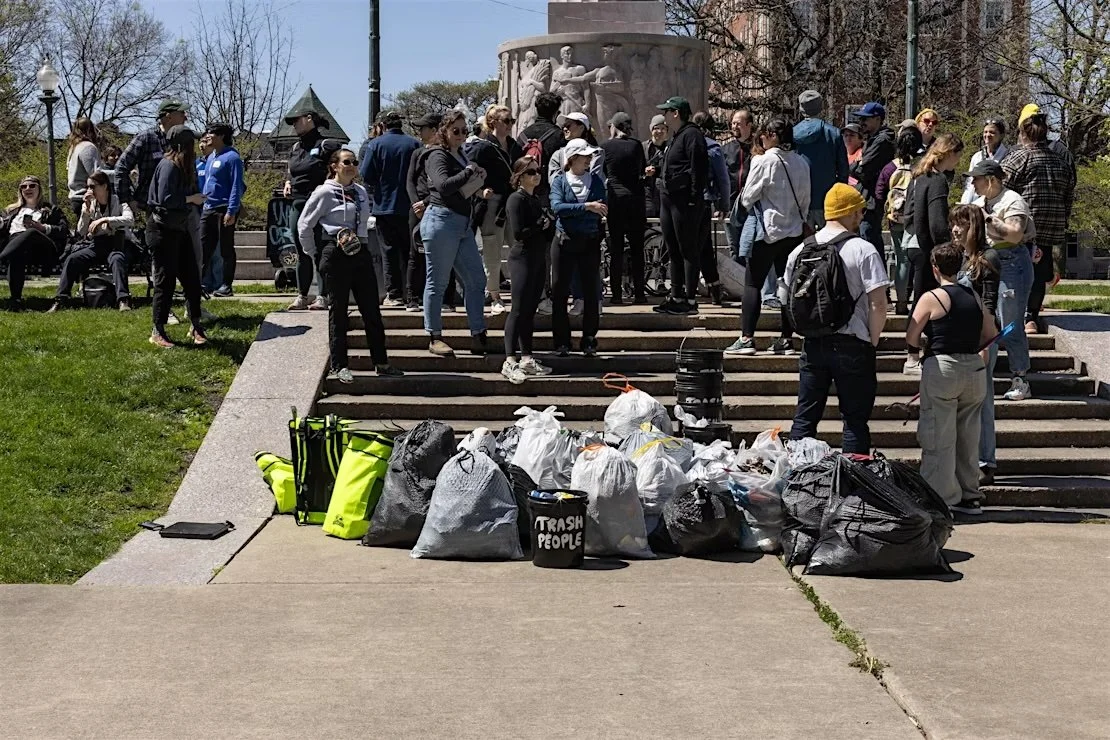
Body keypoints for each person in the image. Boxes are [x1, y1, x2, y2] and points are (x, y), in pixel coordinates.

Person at [785, 184, 889, 452]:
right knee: (854, 421)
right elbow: (878, 303)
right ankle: (854, 483)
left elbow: (785, 297)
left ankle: (796, 477)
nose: (862, 216)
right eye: (860, 211)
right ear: (851, 212)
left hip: (813, 341)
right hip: (853, 343)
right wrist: (871, 341)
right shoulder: (863, 249)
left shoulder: (800, 251)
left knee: (805, 417)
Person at [297, 148, 402, 381]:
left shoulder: (361, 192)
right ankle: (339, 364)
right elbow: (305, 224)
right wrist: (314, 253)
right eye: (347, 162)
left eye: (354, 162)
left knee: (371, 310)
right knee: (339, 310)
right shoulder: (324, 192)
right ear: (334, 166)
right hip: (335, 251)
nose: (352, 166)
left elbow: (365, 222)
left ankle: (381, 361)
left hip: (360, 250)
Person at [906, 241, 994, 515]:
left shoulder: (932, 298)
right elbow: (990, 333)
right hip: (974, 370)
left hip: (943, 368)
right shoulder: (975, 297)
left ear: (935, 268)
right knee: (969, 435)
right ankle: (971, 495)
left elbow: (912, 334)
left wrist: (917, 352)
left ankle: (941, 498)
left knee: (938, 435)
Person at [727, 119, 810, 355]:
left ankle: (747, 338)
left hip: (767, 231)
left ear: (772, 135)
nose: (760, 139)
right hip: (793, 232)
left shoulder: (765, 161)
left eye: (764, 134)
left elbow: (747, 197)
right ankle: (786, 338)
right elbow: (806, 201)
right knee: (787, 284)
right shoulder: (802, 163)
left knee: (753, 283)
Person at [420, 109, 490, 356]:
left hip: (461, 224)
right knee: (437, 283)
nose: (461, 135)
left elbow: (460, 188)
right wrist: (469, 172)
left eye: (464, 130)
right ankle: (434, 336)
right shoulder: (436, 154)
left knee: (477, 280)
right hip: (441, 221)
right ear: (444, 131)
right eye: (455, 130)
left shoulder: (460, 154)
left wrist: (478, 184)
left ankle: (478, 333)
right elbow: (443, 186)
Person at [969, 158, 1037, 402]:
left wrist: (988, 218)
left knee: (1010, 321)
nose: (973, 183)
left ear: (991, 180)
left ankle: (1021, 378)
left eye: (976, 179)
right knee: (985, 316)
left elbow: (1016, 234)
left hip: (1012, 263)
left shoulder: (1012, 200)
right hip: (987, 260)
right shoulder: (979, 200)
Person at [1004, 108, 1076, 335]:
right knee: (1039, 270)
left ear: (1022, 133)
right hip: (1050, 226)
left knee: (1017, 270)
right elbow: (1069, 194)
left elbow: (998, 188)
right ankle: (1031, 317)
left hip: (1023, 225)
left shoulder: (1019, 157)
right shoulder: (1060, 161)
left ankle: (1013, 314)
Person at [902, 132, 965, 374]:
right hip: (928, 248)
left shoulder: (918, 175)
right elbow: (937, 222)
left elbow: (909, 213)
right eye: (957, 156)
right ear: (949, 153)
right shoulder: (937, 180)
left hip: (913, 244)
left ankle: (916, 352)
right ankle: (911, 356)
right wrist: (947, 248)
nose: (957, 162)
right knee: (923, 300)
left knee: (920, 298)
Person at [949, 204, 1002, 486]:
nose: (956, 230)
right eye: (954, 224)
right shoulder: (959, 258)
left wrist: (985, 344)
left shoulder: (988, 258)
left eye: (962, 224)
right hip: (960, 338)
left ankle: (985, 461)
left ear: (976, 228)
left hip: (982, 338)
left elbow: (990, 305)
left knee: (983, 399)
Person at [146, 126, 208, 348]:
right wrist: (192, 199)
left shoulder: (184, 166)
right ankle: (157, 330)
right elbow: (165, 200)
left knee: (192, 278)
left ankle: (196, 325)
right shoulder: (169, 166)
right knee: (165, 280)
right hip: (162, 230)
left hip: (178, 229)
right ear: (184, 146)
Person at [359, 110, 421, 309]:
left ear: (382, 125)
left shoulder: (375, 145)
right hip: (411, 206)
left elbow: (366, 175)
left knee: (389, 252)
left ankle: (393, 294)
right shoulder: (414, 144)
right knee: (411, 252)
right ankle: (412, 293)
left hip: (384, 206)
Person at [550, 138, 607, 356]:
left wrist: (587, 209)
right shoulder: (560, 181)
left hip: (589, 240)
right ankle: (561, 340)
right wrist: (586, 207)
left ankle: (590, 338)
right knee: (560, 290)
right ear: (573, 158)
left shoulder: (595, 181)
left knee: (591, 291)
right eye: (585, 156)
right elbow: (558, 207)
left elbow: (602, 205)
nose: (589, 160)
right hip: (564, 240)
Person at [49, 170, 135, 312]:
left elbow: (129, 219)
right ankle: (61, 299)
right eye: (88, 187)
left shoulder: (118, 201)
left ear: (105, 186)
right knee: (72, 259)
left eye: (92, 186)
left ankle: (123, 300)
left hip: (115, 243)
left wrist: (106, 219)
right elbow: (81, 231)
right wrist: (86, 212)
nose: (89, 190)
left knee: (117, 259)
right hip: (96, 244)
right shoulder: (89, 204)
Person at [653, 96, 708, 316]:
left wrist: (694, 196)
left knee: (687, 249)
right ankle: (676, 294)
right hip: (669, 198)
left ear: (676, 113)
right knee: (673, 249)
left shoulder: (692, 135)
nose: (664, 117)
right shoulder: (677, 137)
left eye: (667, 112)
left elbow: (698, 167)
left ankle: (689, 298)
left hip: (684, 200)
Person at [502, 156, 555, 383]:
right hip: (522, 257)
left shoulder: (536, 200)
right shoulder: (516, 199)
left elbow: (544, 234)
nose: (536, 175)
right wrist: (539, 224)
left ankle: (526, 356)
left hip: (537, 258)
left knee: (530, 310)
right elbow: (518, 232)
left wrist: (548, 224)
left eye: (537, 171)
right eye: (531, 172)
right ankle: (510, 359)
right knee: (518, 308)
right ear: (520, 176)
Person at [466, 104, 523, 314]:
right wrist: (480, 191)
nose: (510, 125)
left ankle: (519, 291)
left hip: (513, 202)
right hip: (493, 204)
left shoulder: (515, 146)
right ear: (493, 123)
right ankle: (494, 295)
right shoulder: (482, 147)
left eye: (512, 121)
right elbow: (469, 172)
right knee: (491, 248)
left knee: (518, 247)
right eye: (506, 121)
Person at [283, 106, 337, 311]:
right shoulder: (296, 147)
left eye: (297, 120)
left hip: (319, 204)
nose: (294, 125)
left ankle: (323, 295)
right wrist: (288, 182)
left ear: (309, 119)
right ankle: (302, 295)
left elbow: (342, 166)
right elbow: (293, 170)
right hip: (297, 202)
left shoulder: (325, 145)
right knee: (301, 248)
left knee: (320, 249)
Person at [406, 113, 460, 313]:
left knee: (447, 253)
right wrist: (415, 204)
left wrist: (427, 202)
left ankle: (447, 299)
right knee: (415, 254)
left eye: (424, 128)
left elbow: (444, 185)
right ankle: (412, 298)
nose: (421, 132)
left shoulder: (447, 154)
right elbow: (409, 181)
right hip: (418, 208)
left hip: (439, 206)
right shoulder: (417, 153)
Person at [0, 176, 69, 311]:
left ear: (39, 189)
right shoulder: (11, 211)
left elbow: (63, 230)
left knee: (30, 232)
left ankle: (2, 258)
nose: (28, 189)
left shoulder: (51, 210)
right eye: (23, 187)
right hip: (17, 248)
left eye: (32, 186)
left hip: (41, 248)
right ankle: (16, 301)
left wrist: (43, 228)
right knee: (16, 254)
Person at [875, 125, 924, 314]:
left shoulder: (890, 167)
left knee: (901, 260)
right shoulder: (922, 167)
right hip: (918, 219)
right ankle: (918, 301)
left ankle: (901, 303)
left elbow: (879, 193)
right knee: (919, 261)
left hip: (896, 220)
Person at [600, 112, 647, 304]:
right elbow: (641, 169)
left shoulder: (606, 146)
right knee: (637, 249)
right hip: (635, 200)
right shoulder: (636, 145)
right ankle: (639, 294)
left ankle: (617, 295)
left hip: (615, 199)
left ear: (614, 126)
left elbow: (603, 171)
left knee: (616, 250)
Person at [115, 99, 188, 215]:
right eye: (182, 114)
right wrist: (128, 200)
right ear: (169, 117)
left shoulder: (183, 140)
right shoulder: (146, 138)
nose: (186, 118)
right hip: (149, 208)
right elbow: (121, 168)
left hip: (178, 209)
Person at [199, 123, 244, 298]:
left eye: (212, 133)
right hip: (208, 208)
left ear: (222, 136)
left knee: (226, 248)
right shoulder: (210, 157)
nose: (208, 136)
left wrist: (231, 210)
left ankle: (226, 285)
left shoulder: (232, 157)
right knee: (204, 248)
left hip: (224, 208)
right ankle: (201, 283)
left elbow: (236, 186)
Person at [793, 90, 849, 228]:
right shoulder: (833, 133)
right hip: (827, 199)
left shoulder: (792, 134)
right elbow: (843, 170)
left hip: (799, 200)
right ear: (821, 107)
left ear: (801, 109)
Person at [849, 102, 895, 258]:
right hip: (865, 197)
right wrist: (858, 164)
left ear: (878, 119)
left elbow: (863, 170)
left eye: (866, 119)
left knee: (869, 238)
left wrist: (855, 165)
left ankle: (877, 277)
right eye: (861, 119)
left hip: (872, 198)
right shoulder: (872, 139)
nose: (862, 123)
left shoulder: (882, 141)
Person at [693, 110, 730, 305]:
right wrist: (723, 204)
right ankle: (714, 288)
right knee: (704, 246)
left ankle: (684, 290)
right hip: (704, 200)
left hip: (682, 202)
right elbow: (723, 179)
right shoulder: (713, 148)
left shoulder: (683, 143)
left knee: (694, 246)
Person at [516, 91, 564, 198]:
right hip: (551, 192)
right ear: (555, 113)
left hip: (526, 192)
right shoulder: (560, 135)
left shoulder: (523, 135)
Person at [722, 109, 753, 256]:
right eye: (733, 123)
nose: (734, 126)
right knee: (734, 248)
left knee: (749, 248)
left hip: (751, 206)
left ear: (749, 125)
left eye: (738, 123)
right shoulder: (726, 149)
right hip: (731, 205)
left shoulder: (758, 148)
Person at [960, 118, 1009, 204]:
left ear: (1001, 135)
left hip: (996, 203)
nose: (988, 135)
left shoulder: (1007, 156)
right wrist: (964, 204)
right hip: (975, 204)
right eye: (985, 132)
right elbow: (969, 185)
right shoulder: (977, 157)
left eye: (992, 132)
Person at [547, 112, 604, 181]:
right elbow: (554, 182)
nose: (564, 129)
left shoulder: (596, 153)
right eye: (563, 126)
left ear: (581, 128)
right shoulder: (558, 155)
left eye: (568, 125)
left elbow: (595, 181)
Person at [65, 116, 102, 218]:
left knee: (82, 232)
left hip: (75, 197)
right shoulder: (88, 147)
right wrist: (119, 173)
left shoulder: (74, 148)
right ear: (91, 130)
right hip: (86, 198)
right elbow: (96, 174)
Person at [643, 113, 669, 219]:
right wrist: (644, 171)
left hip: (664, 191)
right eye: (656, 128)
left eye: (663, 128)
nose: (659, 131)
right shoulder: (642, 147)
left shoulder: (671, 147)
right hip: (647, 191)